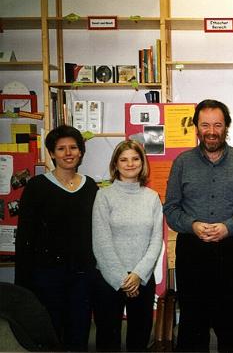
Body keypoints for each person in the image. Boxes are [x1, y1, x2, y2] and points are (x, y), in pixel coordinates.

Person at [163, 99, 233, 352]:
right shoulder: (182, 162)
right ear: (196, 127)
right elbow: (170, 209)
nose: (211, 131)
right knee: (193, 325)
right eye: (205, 125)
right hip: (191, 251)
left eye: (217, 125)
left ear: (226, 127)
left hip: (230, 249)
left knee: (230, 326)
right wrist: (192, 225)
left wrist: (228, 227)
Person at [15, 125, 98, 351]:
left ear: (81, 152)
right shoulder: (36, 187)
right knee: (53, 333)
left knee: (79, 331)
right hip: (47, 274)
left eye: (73, 147)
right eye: (61, 149)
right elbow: (24, 236)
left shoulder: (90, 186)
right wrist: (23, 281)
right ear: (52, 153)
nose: (68, 153)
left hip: (82, 274)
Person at [92, 140, 163, 351]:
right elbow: (101, 241)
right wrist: (123, 279)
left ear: (142, 163)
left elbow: (156, 240)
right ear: (115, 164)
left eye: (135, 158)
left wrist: (138, 275)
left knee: (139, 340)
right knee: (107, 340)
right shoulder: (103, 196)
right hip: (109, 280)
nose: (130, 164)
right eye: (123, 159)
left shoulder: (152, 198)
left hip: (142, 280)